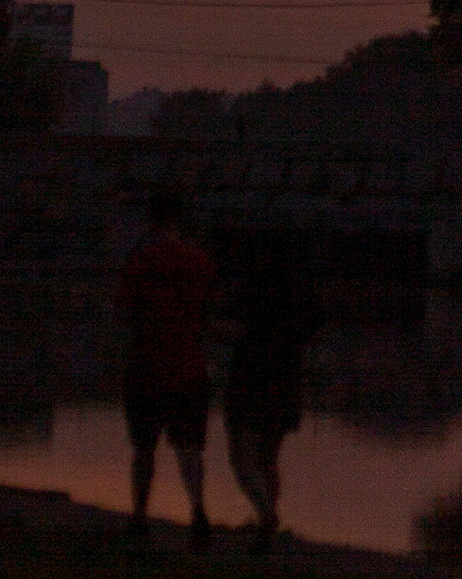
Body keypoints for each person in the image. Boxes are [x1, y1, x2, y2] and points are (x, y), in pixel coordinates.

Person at [117, 182, 218, 545]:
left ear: (151, 220)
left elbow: (124, 313)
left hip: (147, 366)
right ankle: (198, 511)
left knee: (144, 448)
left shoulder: (139, 261)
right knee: (190, 449)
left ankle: (140, 516)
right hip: (190, 367)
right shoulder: (201, 262)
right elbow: (209, 311)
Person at [222, 232, 318, 551]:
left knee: (242, 455)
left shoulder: (255, 291)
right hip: (286, 381)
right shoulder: (301, 294)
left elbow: (235, 324)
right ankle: (268, 525)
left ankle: (267, 516)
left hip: (252, 379)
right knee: (268, 457)